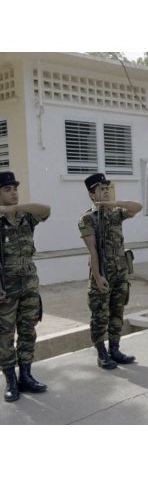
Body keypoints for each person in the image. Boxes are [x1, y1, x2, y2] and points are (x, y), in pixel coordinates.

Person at [78, 173, 142, 370]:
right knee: (100, 315)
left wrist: (114, 202)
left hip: (120, 273)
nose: (105, 192)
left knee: (117, 312)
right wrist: (97, 277)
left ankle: (115, 349)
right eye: (101, 189)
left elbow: (137, 207)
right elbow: (93, 250)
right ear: (91, 194)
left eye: (107, 189)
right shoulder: (87, 219)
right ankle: (101, 353)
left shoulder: (116, 213)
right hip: (103, 273)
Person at [0, 172, 50, 402]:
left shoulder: (26, 216)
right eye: (7, 189)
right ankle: (10, 380)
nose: (13, 192)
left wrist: (14, 209)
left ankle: (26, 376)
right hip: (5, 289)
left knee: (28, 331)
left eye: (14, 188)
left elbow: (46, 209)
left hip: (29, 285)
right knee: (5, 336)